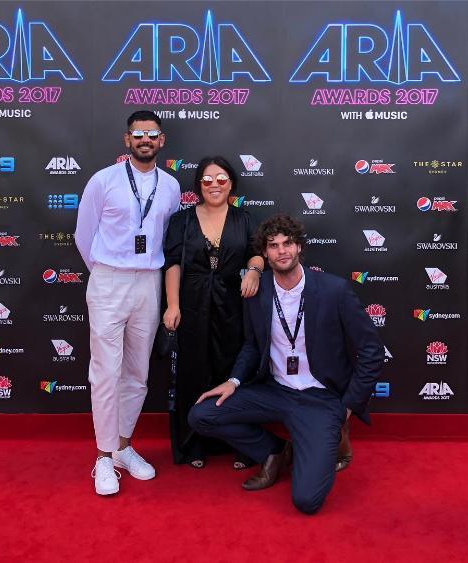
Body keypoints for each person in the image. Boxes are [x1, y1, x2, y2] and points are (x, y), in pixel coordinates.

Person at [188, 214, 384, 514]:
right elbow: (252, 345)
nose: (282, 251)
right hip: (275, 390)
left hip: (320, 399)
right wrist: (234, 381)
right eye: (273, 245)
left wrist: (348, 405)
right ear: (264, 253)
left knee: (307, 501)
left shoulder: (334, 291)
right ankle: (275, 451)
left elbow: (372, 350)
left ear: (299, 247)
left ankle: (321, 442)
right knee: (201, 414)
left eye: (288, 243)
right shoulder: (258, 291)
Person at [75, 110, 180, 495]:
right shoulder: (103, 181)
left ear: (161, 141)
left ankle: (123, 446)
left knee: (137, 372)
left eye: (151, 134)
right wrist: (108, 271)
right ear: (127, 140)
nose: (145, 140)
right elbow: (84, 235)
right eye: (138, 134)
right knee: (105, 371)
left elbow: (167, 241)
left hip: (149, 282)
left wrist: (140, 273)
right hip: (108, 280)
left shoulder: (169, 186)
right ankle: (103, 458)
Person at [163, 156, 264, 468]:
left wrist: (254, 272)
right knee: (193, 373)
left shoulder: (244, 219)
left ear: (231, 183)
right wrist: (173, 304)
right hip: (191, 305)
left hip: (233, 306)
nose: (215, 184)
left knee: (232, 371)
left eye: (221, 178)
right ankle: (192, 445)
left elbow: (257, 254)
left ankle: (242, 445)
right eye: (207, 179)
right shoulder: (182, 220)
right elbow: (173, 264)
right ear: (198, 185)